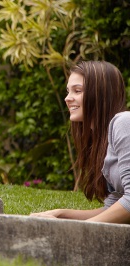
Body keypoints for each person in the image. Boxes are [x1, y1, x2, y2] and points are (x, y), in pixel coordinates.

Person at [30, 60, 130, 224]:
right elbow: (112, 208)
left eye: (77, 91)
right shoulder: (101, 139)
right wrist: (60, 214)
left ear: (100, 94)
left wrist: (81, 229)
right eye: (68, 91)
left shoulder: (124, 122)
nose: (68, 98)